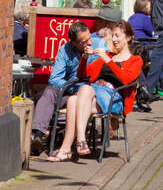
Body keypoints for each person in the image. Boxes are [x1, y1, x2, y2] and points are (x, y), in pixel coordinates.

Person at [42, 21, 143, 162]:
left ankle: (80, 140)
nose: (114, 39)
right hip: (94, 94)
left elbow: (126, 80)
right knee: (73, 99)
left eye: (117, 35)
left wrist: (108, 60)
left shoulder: (135, 60)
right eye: (112, 35)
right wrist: (84, 58)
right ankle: (66, 149)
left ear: (128, 38)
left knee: (84, 89)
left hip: (114, 97)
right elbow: (83, 75)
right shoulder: (107, 55)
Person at [30, 19, 104, 150]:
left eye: (89, 37)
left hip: (87, 94)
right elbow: (54, 78)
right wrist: (71, 87)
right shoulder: (65, 50)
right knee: (49, 92)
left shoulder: (97, 45)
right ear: (74, 43)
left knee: (44, 101)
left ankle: (45, 134)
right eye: (84, 41)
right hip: (69, 89)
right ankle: (38, 135)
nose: (89, 42)